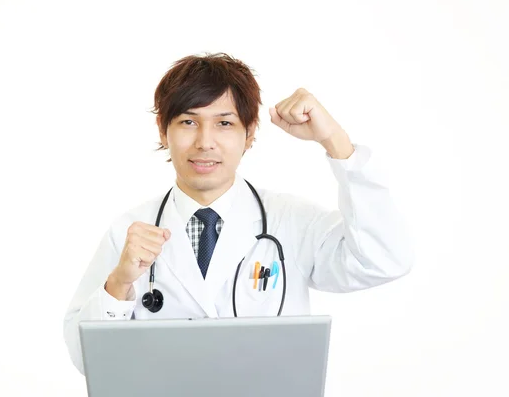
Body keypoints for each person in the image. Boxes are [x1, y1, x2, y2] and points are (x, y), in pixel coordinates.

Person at [63, 52, 414, 375]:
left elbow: (384, 260)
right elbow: (86, 360)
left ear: (249, 134)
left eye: (225, 124)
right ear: (162, 130)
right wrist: (120, 283)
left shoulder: (291, 221)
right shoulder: (130, 231)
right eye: (188, 122)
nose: (205, 142)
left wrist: (336, 142)